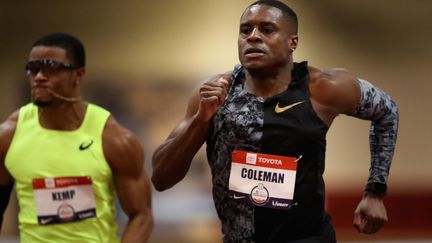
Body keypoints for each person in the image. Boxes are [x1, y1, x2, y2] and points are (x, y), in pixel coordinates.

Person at [151, 1, 398, 242]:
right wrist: (200, 120)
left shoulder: (323, 88)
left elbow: (387, 112)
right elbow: (161, 178)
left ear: (293, 42)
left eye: (267, 29)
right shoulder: (214, 94)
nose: (253, 37)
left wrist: (375, 192)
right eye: (245, 30)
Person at [0, 33, 153, 242]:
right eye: (33, 69)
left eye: (50, 67)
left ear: (78, 74)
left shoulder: (114, 139)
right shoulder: (9, 135)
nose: (39, 77)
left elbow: (141, 216)